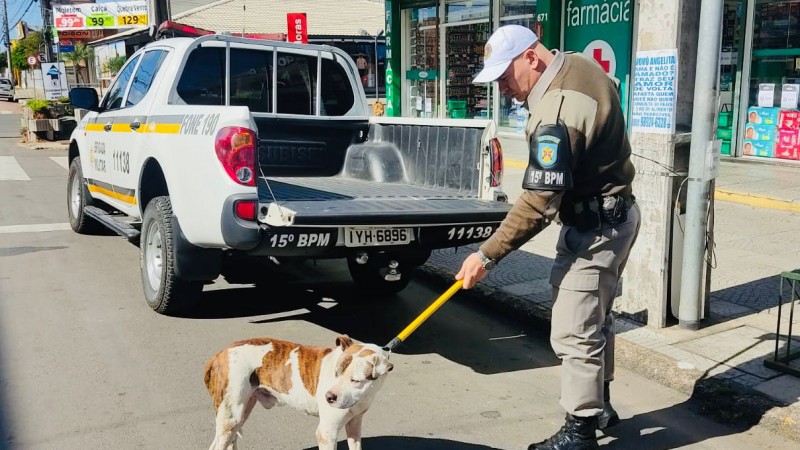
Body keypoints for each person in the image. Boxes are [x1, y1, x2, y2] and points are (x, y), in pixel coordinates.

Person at [456, 25, 640, 450]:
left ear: (532, 58)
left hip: (596, 229)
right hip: (616, 215)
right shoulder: (578, 64)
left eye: (505, 76)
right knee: (597, 317)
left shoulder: (557, 109)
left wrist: (486, 255)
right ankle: (602, 404)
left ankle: (579, 433)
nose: (504, 88)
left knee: (575, 330)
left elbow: (539, 202)